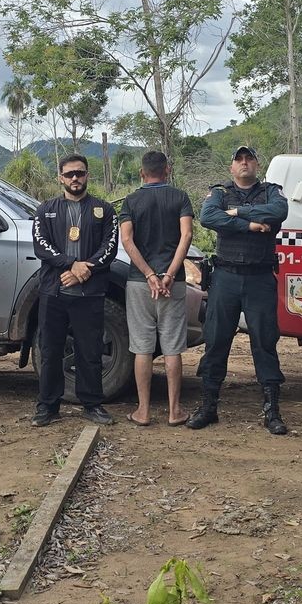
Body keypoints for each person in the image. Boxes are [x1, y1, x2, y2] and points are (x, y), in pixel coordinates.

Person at [187, 145, 290, 435]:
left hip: (259, 278)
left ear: (257, 164)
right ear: (232, 167)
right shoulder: (219, 193)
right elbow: (208, 217)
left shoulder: (271, 191)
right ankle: (208, 406)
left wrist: (238, 212)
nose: (244, 163)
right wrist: (250, 226)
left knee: (265, 342)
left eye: (249, 159)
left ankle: (272, 410)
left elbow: (279, 211)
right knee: (216, 341)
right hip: (226, 277)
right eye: (239, 160)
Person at [31, 153, 118, 426]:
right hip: (53, 292)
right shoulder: (45, 210)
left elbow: (110, 247)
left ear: (87, 175)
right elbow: (40, 246)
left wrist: (86, 269)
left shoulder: (104, 210)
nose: (75, 178)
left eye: (79, 173)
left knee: (89, 350)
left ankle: (92, 404)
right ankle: (48, 406)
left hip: (89, 293)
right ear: (60, 178)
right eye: (69, 174)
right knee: (50, 350)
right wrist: (71, 265)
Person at [118, 150, 194, 426]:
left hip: (140, 283)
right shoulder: (180, 197)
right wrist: (170, 274)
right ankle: (175, 412)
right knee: (172, 348)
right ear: (167, 170)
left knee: (142, 348)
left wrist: (149, 274)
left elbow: (127, 241)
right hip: (174, 283)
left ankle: (143, 411)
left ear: (142, 173)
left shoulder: (131, 201)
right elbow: (186, 235)